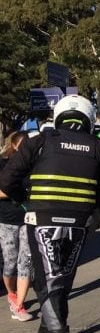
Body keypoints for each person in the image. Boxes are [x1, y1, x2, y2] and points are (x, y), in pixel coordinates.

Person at [0, 95, 100, 333]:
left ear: (59, 115)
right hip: (79, 223)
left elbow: (7, 181)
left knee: (49, 283)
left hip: (41, 220)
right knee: (59, 280)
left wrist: (24, 200)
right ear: (89, 119)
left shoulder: (38, 142)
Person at [0, 131, 33, 322]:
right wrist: (18, 193)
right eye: (23, 143)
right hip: (7, 219)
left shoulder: (34, 165)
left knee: (25, 261)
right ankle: (11, 294)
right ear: (13, 145)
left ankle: (19, 304)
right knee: (10, 261)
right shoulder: (4, 164)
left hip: (29, 218)